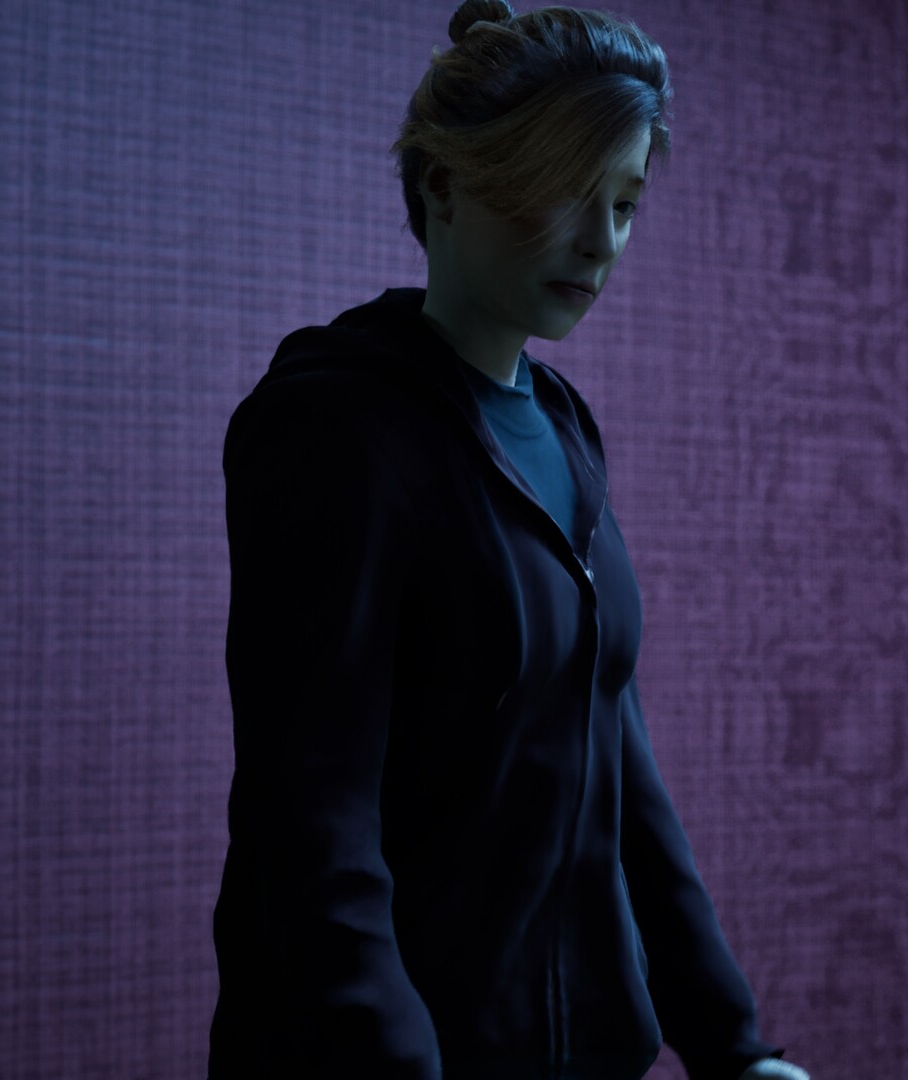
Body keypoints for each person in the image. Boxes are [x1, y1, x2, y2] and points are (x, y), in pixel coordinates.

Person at [207, 4, 813, 1079]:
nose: (603, 241)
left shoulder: (563, 426)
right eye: (566, 192)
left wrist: (732, 1046)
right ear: (443, 184)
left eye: (624, 204)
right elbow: (310, 824)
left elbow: (614, 756)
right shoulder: (333, 429)